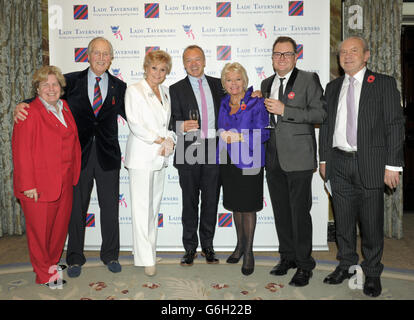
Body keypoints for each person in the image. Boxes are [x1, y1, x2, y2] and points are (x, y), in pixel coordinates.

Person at [14, 37, 127, 278]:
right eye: (96, 52)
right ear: (88, 55)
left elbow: (136, 116)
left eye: (105, 53)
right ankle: (75, 257)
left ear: (111, 58)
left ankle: (111, 255)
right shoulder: (71, 81)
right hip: (78, 158)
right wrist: (20, 105)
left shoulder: (120, 86)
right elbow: (45, 96)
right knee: (75, 210)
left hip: (108, 157)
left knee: (110, 209)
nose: (100, 57)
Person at [319, 36, 404, 297]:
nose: (347, 55)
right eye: (343, 52)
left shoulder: (383, 84)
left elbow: (394, 125)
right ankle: (346, 264)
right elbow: (326, 127)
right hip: (339, 162)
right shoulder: (332, 87)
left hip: (371, 164)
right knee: (343, 222)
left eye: (354, 51)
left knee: (371, 223)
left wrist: (393, 165)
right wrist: (324, 160)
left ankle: (372, 272)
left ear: (366, 55)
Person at [261, 36, 326, 287]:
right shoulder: (267, 82)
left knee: (299, 213)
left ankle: (304, 264)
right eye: (277, 54)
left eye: (287, 54)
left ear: (296, 56)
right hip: (274, 157)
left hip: (298, 157)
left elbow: (320, 113)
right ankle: (287, 257)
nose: (281, 58)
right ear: (272, 57)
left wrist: (285, 110)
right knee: (281, 212)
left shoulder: (309, 79)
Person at [12, 66, 81, 287]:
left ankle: (51, 265)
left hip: (64, 182)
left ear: (61, 89)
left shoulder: (65, 108)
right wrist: (28, 185)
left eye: (55, 84)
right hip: (38, 186)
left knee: (58, 231)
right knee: (40, 234)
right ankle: (45, 275)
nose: (51, 89)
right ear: (37, 88)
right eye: (45, 85)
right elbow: (21, 151)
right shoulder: (28, 112)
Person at [169, 45, 225, 266]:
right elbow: (170, 119)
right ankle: (190, 248)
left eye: (197, 59)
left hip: (213, 147)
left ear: (204, 61)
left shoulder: (218, 85)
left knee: (211, 201)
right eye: (189, 60)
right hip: (189, 148)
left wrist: (256, 94)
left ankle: (208, 246)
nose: (193, 64)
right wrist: (181, 126)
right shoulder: (175, 89)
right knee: (189, 202)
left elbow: (236, 100)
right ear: (183, 64)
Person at [124, 50, 176, 277]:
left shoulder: (165, 92)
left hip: (160, 156)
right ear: (146, 67)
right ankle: (146, 259)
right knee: (142, 209)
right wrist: (160, 140)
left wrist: (170, 140)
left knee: (153, 208)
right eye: (154, 68)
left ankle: (149, 251)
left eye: (162, 69)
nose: (158, 73)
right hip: (142, 157)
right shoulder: (134, 90)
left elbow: (168, 125)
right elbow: (135, 124)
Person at [217, 62, 270, 275]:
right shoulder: (223, 102)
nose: (234, 84)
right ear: (224, 83)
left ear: (245, 81)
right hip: (229, 161)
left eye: (238, 79)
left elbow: (265, 132)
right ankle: (239, 246)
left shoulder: (256, 101)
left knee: (247, 207)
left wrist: (239, 136)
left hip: (250, 160)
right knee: (236, 206)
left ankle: (249, 252)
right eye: (229, 80)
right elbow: (219, 128)